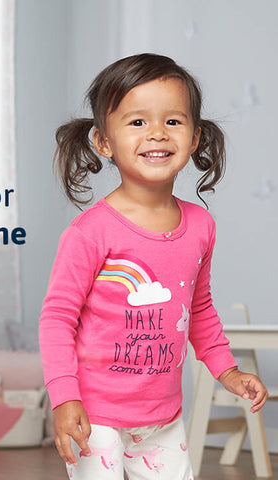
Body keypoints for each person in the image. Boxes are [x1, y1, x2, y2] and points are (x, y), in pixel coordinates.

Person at [38, 53, 268, 480]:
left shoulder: (200, 226)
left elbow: (197, 309)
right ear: (104, 142)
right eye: (138, 122)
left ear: (195, 136)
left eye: (173, 121)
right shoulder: (91, 233)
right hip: (95, 413)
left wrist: (228, 371)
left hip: (162, 414)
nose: (157, 133)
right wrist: (63, 397)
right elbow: (56, 319)